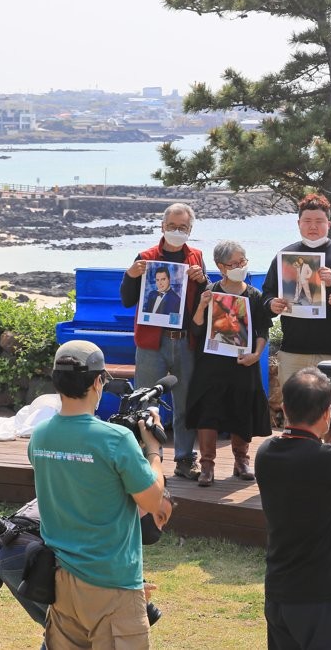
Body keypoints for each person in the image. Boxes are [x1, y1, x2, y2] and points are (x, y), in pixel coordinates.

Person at [28, 340, 165, 647]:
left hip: (61, 582)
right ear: (97, 381)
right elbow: (153, 500)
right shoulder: (115, 440)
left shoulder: (40, 435)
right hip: (112, 584)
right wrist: (154, 451)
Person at [256, 367, 331, 650]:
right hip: (320, 593)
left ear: (284, 409)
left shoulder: (265, 453)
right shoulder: (327, 459)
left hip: (280, 590)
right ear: (326, 413)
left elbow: (310, 457)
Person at [0, 491, 176, 627]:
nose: (158, 528)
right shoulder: (117, 513)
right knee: (79, 630)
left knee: (61, 631)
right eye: (159, 517)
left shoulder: (104, 494)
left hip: (4, 548)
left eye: (163, 523)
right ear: (144, 501)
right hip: (29, 552)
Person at [120, 202, 207, 481]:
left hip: (184, 342)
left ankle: (184, 459)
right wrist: (131, 275)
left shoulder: (197, 256)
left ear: (190, 229)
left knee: (185, 404)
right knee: (145, 401)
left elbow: (204, 299)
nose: (177, 231)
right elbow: (127, 299)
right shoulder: (146, 257)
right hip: (150, 344)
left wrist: (203, 280)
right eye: (172, 226)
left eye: (183, 227)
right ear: (162, 226)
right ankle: (145, 460)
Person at [187, 241, 273, 487]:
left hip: (243, 364)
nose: (239, 267)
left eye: (242, 262)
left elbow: (262, 330)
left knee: (242, 409)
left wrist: (256, 354)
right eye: (233, 264)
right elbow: (195, 327)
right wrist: (203, 305)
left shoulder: (254, 296)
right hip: (211, 363)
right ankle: (207, 465)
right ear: (220, 267)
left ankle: (242, 460)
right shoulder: (210, 291)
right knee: (208, 411)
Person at [262, 193, 331, 397]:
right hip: (293, 351)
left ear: (329, 224)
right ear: (298, 223)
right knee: (295, 417)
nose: (313, 226)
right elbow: (267, 294)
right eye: (307, 221)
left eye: (319, 221)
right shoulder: (285, 256)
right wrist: (272, 304)